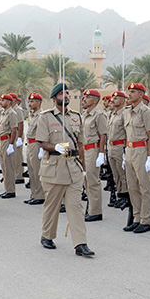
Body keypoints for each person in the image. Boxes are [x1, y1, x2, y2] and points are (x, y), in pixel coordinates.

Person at [36, 83, 94, 257]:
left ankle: (80, 243)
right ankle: (47, 235)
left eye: (68, 93)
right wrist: (55, 147)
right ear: (55, 98)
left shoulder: (76, 117)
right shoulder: (45, 117)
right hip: (54, 168)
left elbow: (81, 144)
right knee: (52, 206)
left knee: (75, 206)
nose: (66, 96)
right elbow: (42, 142)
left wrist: (83, 167)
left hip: (73, 167)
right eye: (62, 93)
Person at [123, 83, 150, 233]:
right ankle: (136, 218)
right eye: (129, 92)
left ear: (141, 95)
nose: (129, 94)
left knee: (144, 187)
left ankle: (145, 220)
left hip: (141, 150)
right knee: (132, 186)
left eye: (133, 92)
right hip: (129, 150)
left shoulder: (146, 112)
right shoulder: (126, 112)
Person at [81, 89, 107, 222]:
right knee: (85, 181)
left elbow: (103, 135)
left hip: (93, 150)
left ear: (95, 100)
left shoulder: (99, 115)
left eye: (88, 97)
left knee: (93, 181)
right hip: (84, 150)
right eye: (84, 96)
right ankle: (90, 207)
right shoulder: (84, 114)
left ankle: (96, 211)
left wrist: (101, 154)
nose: (84, 99)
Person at [107, 91, 128, 207]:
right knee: (115, 173)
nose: (113, 100)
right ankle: (120, 194)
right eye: (113, 97)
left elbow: (127, 132)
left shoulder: (125, 114)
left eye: (116, 98)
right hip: (111, 146)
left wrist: (126, 150)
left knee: (122, 173)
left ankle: (126, 197)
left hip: (120, 146)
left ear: (122, 101)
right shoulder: (113, 114)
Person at [24, 93, 45, 205]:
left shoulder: (42, 115)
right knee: (31, 171)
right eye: (29, 101)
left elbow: (42, 132)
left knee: (37, 170)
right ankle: (34, 193)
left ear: (38, 103)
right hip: (30, 144)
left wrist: (42, 148)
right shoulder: (31, 114)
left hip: (37, 144)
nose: (29, 103)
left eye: (32, 101)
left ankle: (40, 195)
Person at [0, 94, 18, 198]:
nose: (1, 102)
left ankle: (11, 190)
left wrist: (11, 144)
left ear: (9, 102)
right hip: (1, 142)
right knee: (4, 167)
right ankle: (7, 189)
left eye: (3, 100)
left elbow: (14, 129)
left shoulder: (12, 113)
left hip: (7, 141)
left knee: (9, 167)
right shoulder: (3, 113)